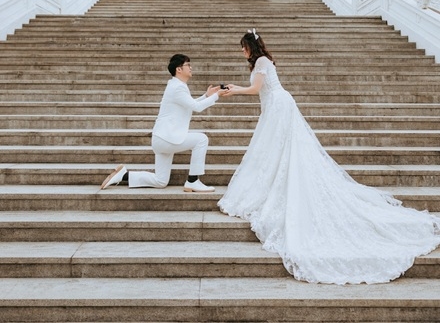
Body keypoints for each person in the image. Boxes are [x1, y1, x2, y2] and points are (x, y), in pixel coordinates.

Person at [218, 29, 440, 285]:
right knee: (273, 149)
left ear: (251, 47)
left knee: (276, 148)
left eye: (243, 46)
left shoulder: (261, 61)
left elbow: (256, 88)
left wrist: (236, 90)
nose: (242, 51)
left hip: (278, 106)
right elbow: (259, 89)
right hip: (276, 105)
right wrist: (236, 87)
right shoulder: (263, 61)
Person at [101, 53, 226, 193]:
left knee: (161, 181)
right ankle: (192, 181)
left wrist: (206, 96)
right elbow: (196, 107)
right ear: (179, 69)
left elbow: (189, 104)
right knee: (201, 139)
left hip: (162, 138)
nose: (191, 67)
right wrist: (216, 96)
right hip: (167, 138)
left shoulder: (176, 85)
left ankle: (124, 175)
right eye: (188, 65)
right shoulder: (178, 87)